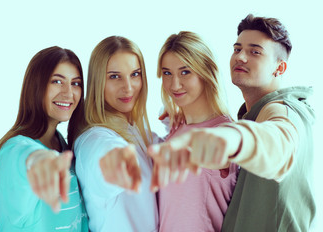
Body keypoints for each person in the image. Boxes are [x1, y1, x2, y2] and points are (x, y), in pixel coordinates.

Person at [148, 14, 315, 232]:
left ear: (280, 68)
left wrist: (232, 137)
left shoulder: (284, 111)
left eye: (255, 51)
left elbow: (279, 139)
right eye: (237, 49)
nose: (241, 57)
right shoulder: (250, 115)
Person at [0, 46, 88, 231]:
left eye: (75, 83)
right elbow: (25, 158)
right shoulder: (11, 149)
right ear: (36, 85)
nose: (68, 93)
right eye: (57, 81)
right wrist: (39, 160)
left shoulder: (62, 144)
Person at [154, 31, 238, 232]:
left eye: (185, 72)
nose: (174, 84)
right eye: (167, 73)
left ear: (206, 72)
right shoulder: (175, 129)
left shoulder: (224, 134)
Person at [73, 36, 158, 231]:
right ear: (97, 82)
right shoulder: (94, 138)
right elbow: (104, 156)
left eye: (135, 74)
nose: (128, 87)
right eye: (114, 76)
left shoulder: (134, 130)